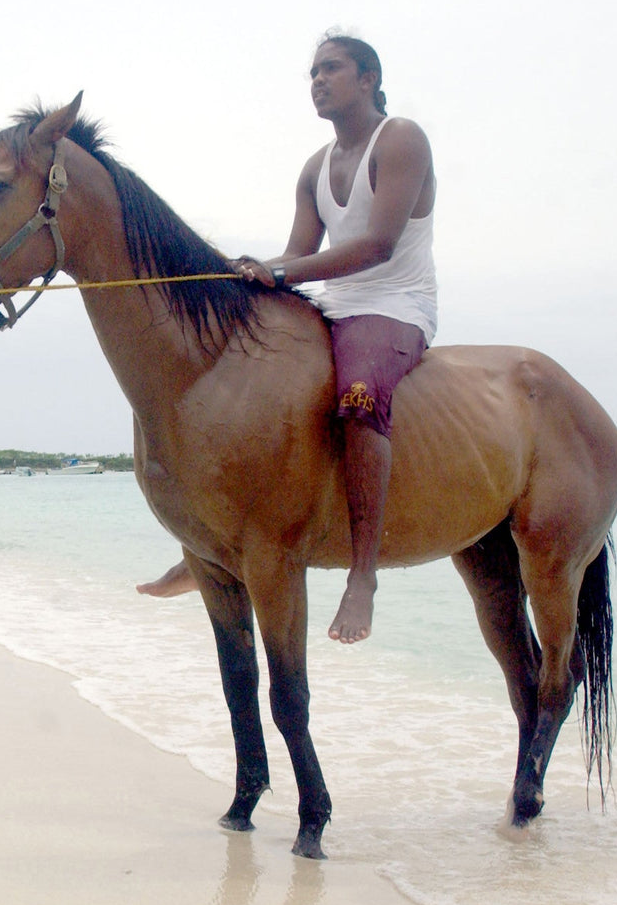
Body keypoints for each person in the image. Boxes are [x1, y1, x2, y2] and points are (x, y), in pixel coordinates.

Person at [138, 33, 437, 647]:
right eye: (312, 72)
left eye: (331, 69)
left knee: (358, 394)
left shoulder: (401, 138)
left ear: (368, 78)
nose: (317, 81)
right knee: (247, 382)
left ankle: (362, 575)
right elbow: (297, 253)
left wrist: (280, 273)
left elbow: (377, 246)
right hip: (333, 304)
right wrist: (238, 271)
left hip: (393, 304)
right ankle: (209, 546)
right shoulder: (314, 168)